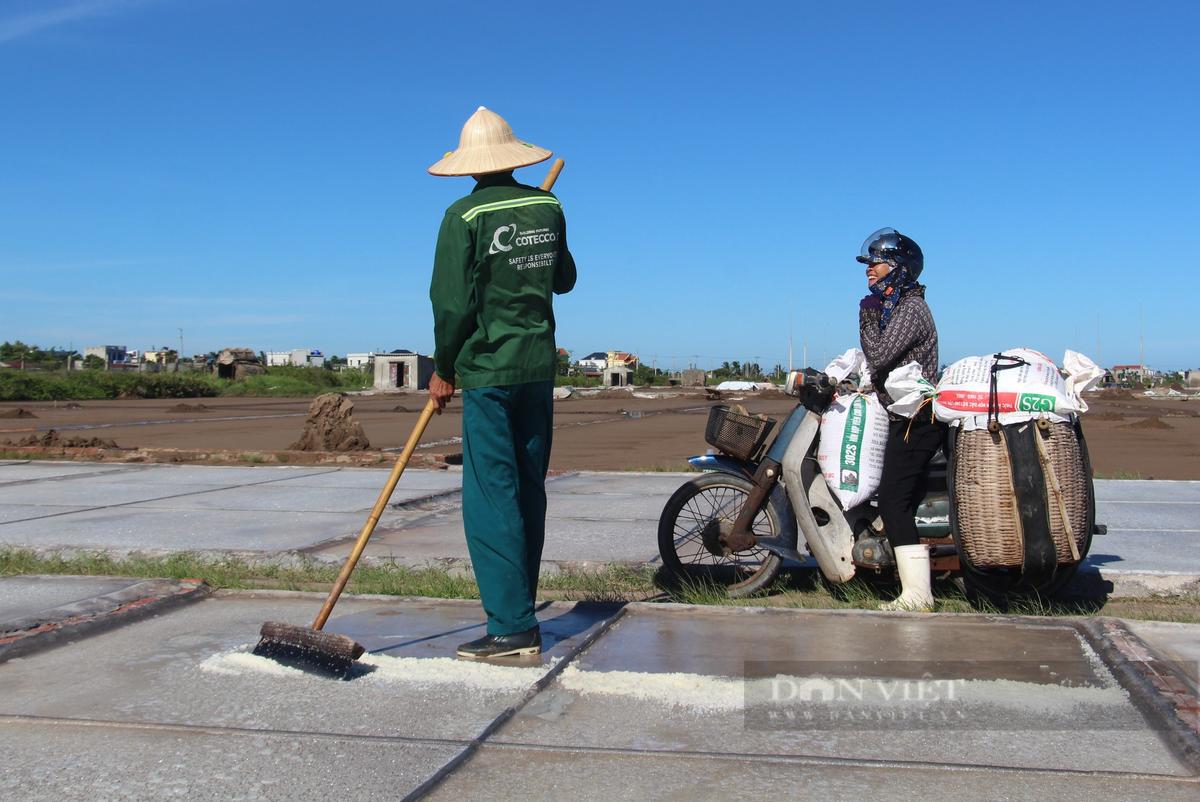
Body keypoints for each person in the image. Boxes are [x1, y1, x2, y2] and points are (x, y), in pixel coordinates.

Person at [426, 107, 576, 658]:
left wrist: (444, 369)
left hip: (489, 372)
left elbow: (451, 304)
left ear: (470, 166)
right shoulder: (548, 203)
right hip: (537, 368)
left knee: (492, 495)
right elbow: (565, 279)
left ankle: (512, 627)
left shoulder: (462, 217)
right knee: (528, 489)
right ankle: (521, 612)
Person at [856, 227, 940, 612]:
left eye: (876, 263)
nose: (869, 270)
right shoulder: (896, 307)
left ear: (899, 267)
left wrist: (866, 317)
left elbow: (880, 355)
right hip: (903, 416)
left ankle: (918, 596)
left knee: (893, 499)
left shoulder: (910, 309)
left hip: (917, 421)